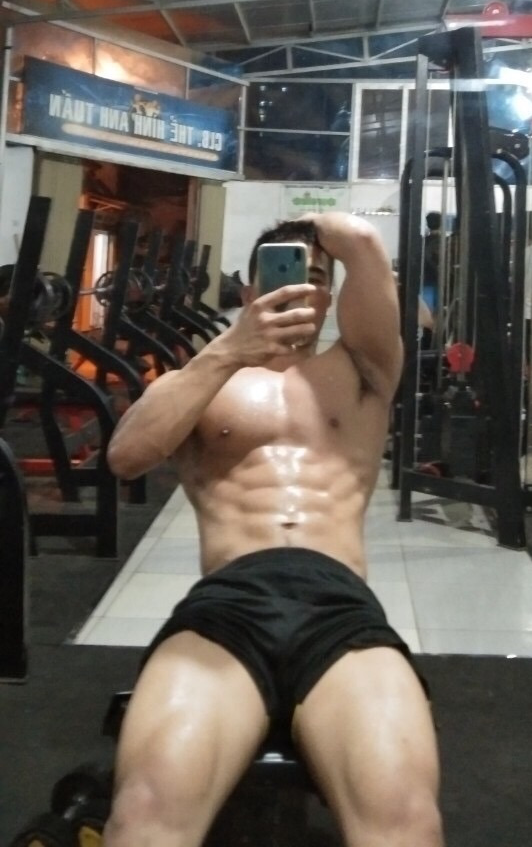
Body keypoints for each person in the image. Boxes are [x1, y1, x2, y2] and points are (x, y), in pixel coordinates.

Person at [104, 212, 443, 847]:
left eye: (317, 277)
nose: (302, 288)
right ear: (249, 289)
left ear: (332, 295)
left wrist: (304, 220)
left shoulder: (365, 369)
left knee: (407, 821)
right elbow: (126, 457)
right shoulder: (203, 378)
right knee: (144, 814)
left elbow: (363, 242)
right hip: (230, 604)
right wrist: (229, 350)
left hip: (338, 607)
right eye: (283, 272)